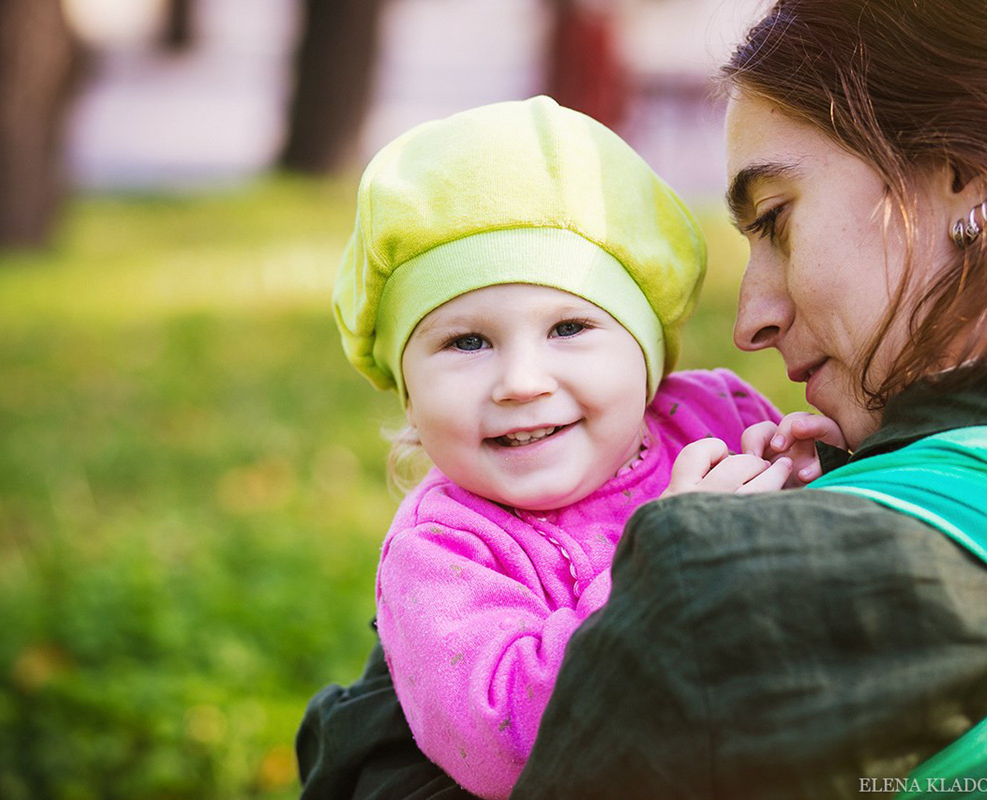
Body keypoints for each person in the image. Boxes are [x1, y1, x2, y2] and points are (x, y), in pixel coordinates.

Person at [298, 0, 987, 793]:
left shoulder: (723, 586)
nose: (750, 320)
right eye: (465, 342)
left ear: (965, 173)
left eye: (775, 217)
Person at [301, 96, 843, 799]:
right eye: (467, 342)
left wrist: (817, 473)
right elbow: (504, 748)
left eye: (568, 328)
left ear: (647, 355)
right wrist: (660, 560)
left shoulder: (716, 413)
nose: (522, 382)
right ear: (405, 387)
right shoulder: (444, 552)